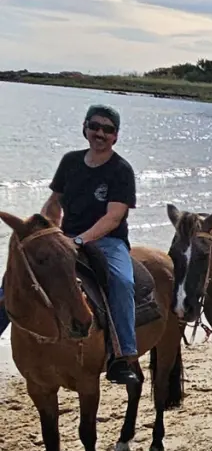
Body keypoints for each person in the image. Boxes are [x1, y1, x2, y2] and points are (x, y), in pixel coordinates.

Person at [28, 105, 140, 385]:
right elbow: (54, 203)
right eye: (95, 126)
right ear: (85, 127)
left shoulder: (121, 170)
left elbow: (114, 217)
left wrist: (79, 240)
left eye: (108, 129)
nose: (100, 133)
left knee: (123, 282)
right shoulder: (70, 161)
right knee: (24, 267)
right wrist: (49, 231)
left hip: (107, 242)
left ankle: (123, 355)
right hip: (66, 237)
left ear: (116, 136)